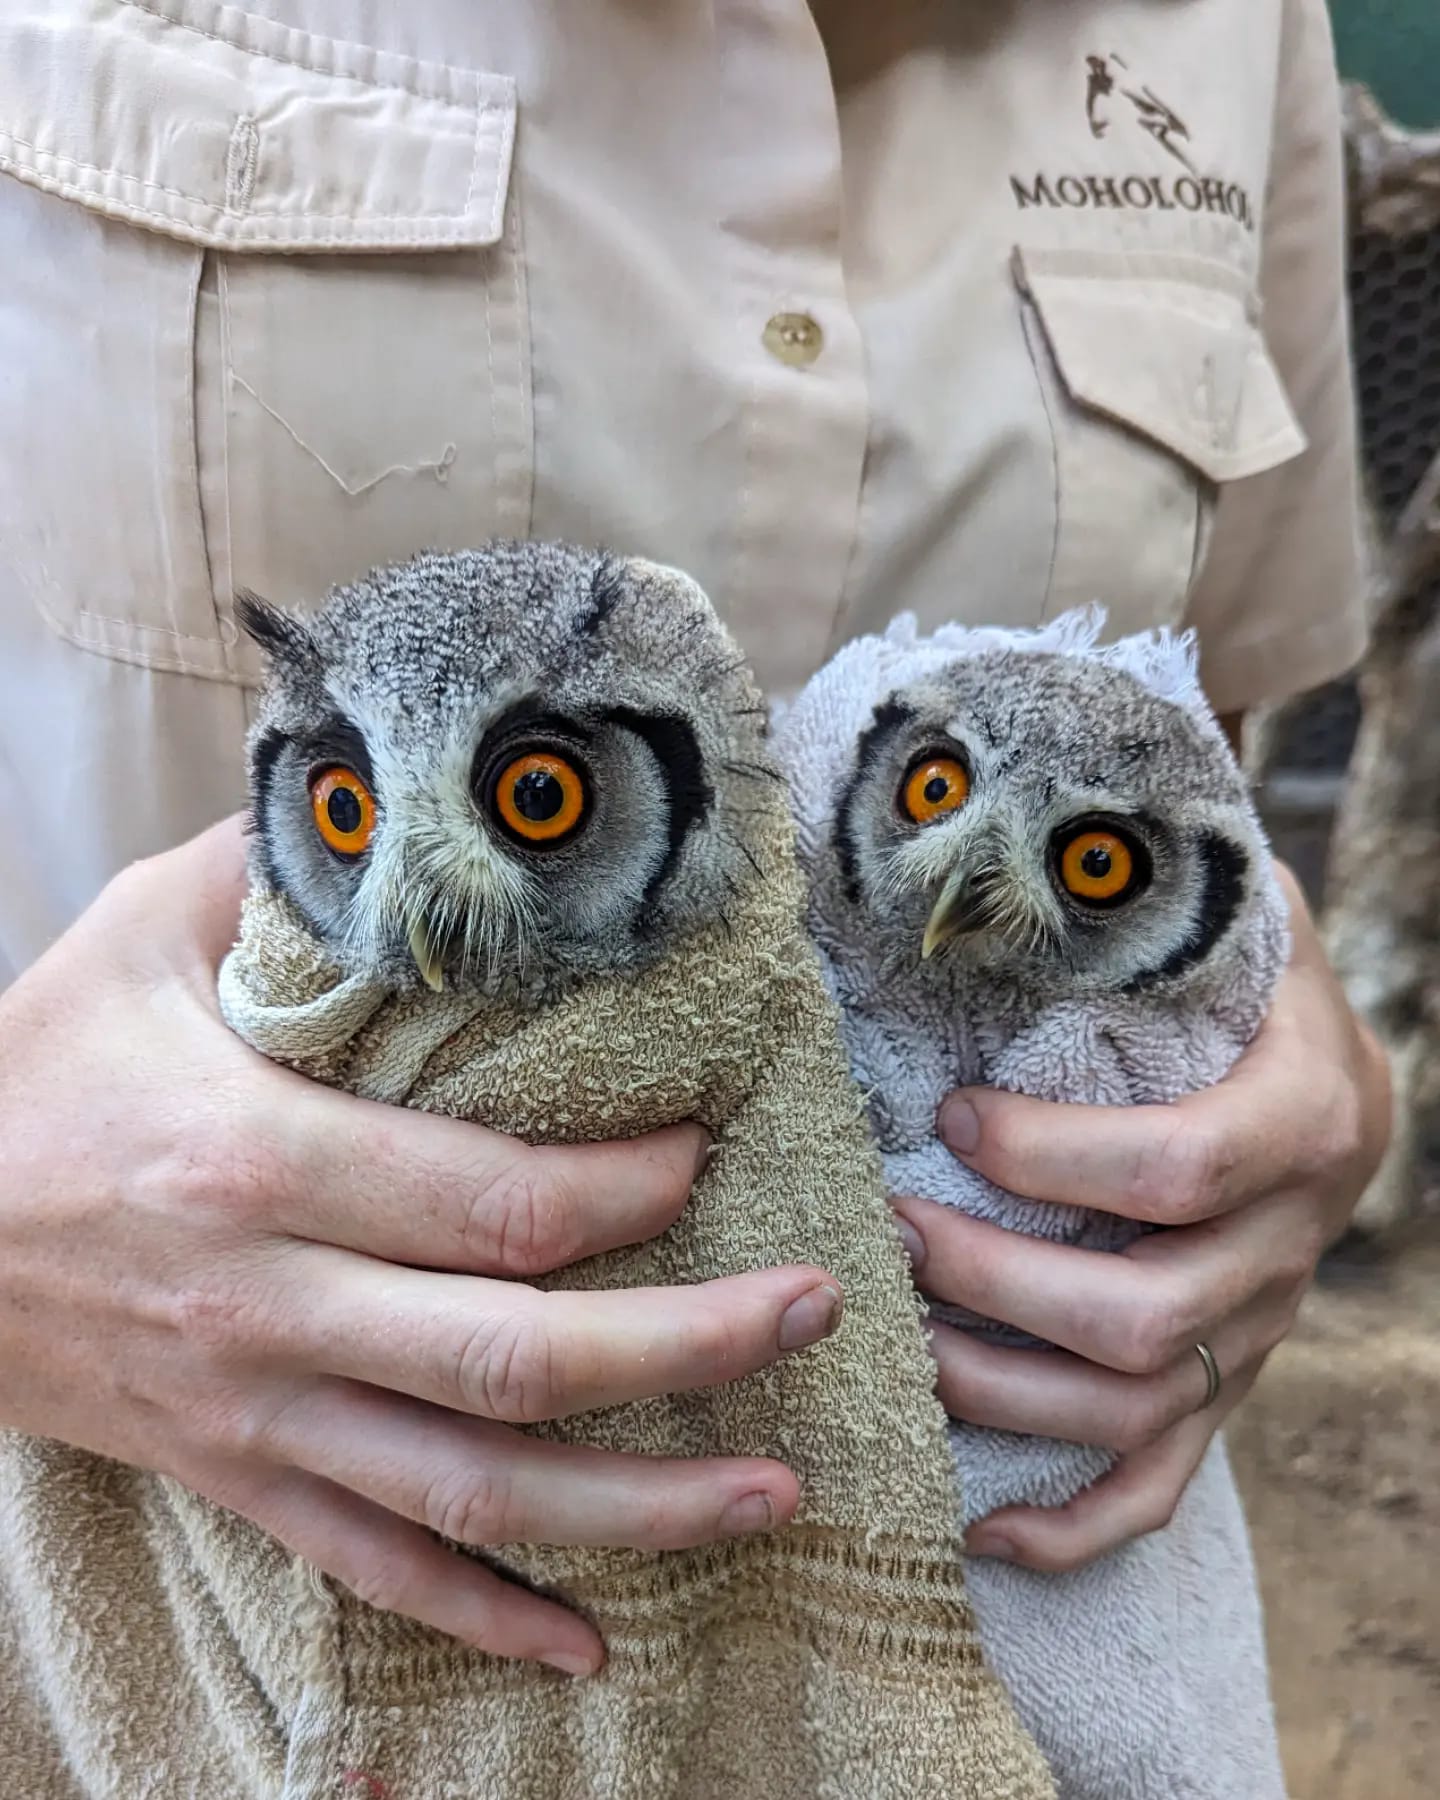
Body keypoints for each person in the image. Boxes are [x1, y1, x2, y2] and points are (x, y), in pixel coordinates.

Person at [0, 0, 1390, 1685]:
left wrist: (1274, 1053)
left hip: (959, 1560)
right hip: (173, 1565)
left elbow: (1192, 745)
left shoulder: (1233, 26)